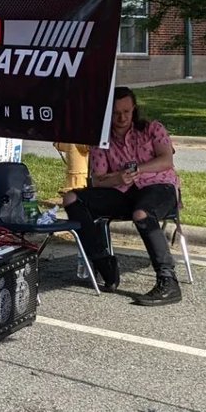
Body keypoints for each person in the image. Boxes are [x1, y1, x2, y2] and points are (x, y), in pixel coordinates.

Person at [62, 86, 182, 306]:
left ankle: (168, 280)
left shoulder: (152, 129)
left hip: (158, 186)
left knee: (142, 212)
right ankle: (103, 261)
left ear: (134, 109)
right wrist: (118, 178)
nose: (122, 118)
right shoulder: (102, 139)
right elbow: (97, 179)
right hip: (122, 191)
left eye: (126, 112)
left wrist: (140, 170)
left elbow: (166, 160)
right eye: (116, 113)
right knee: (72, 199)